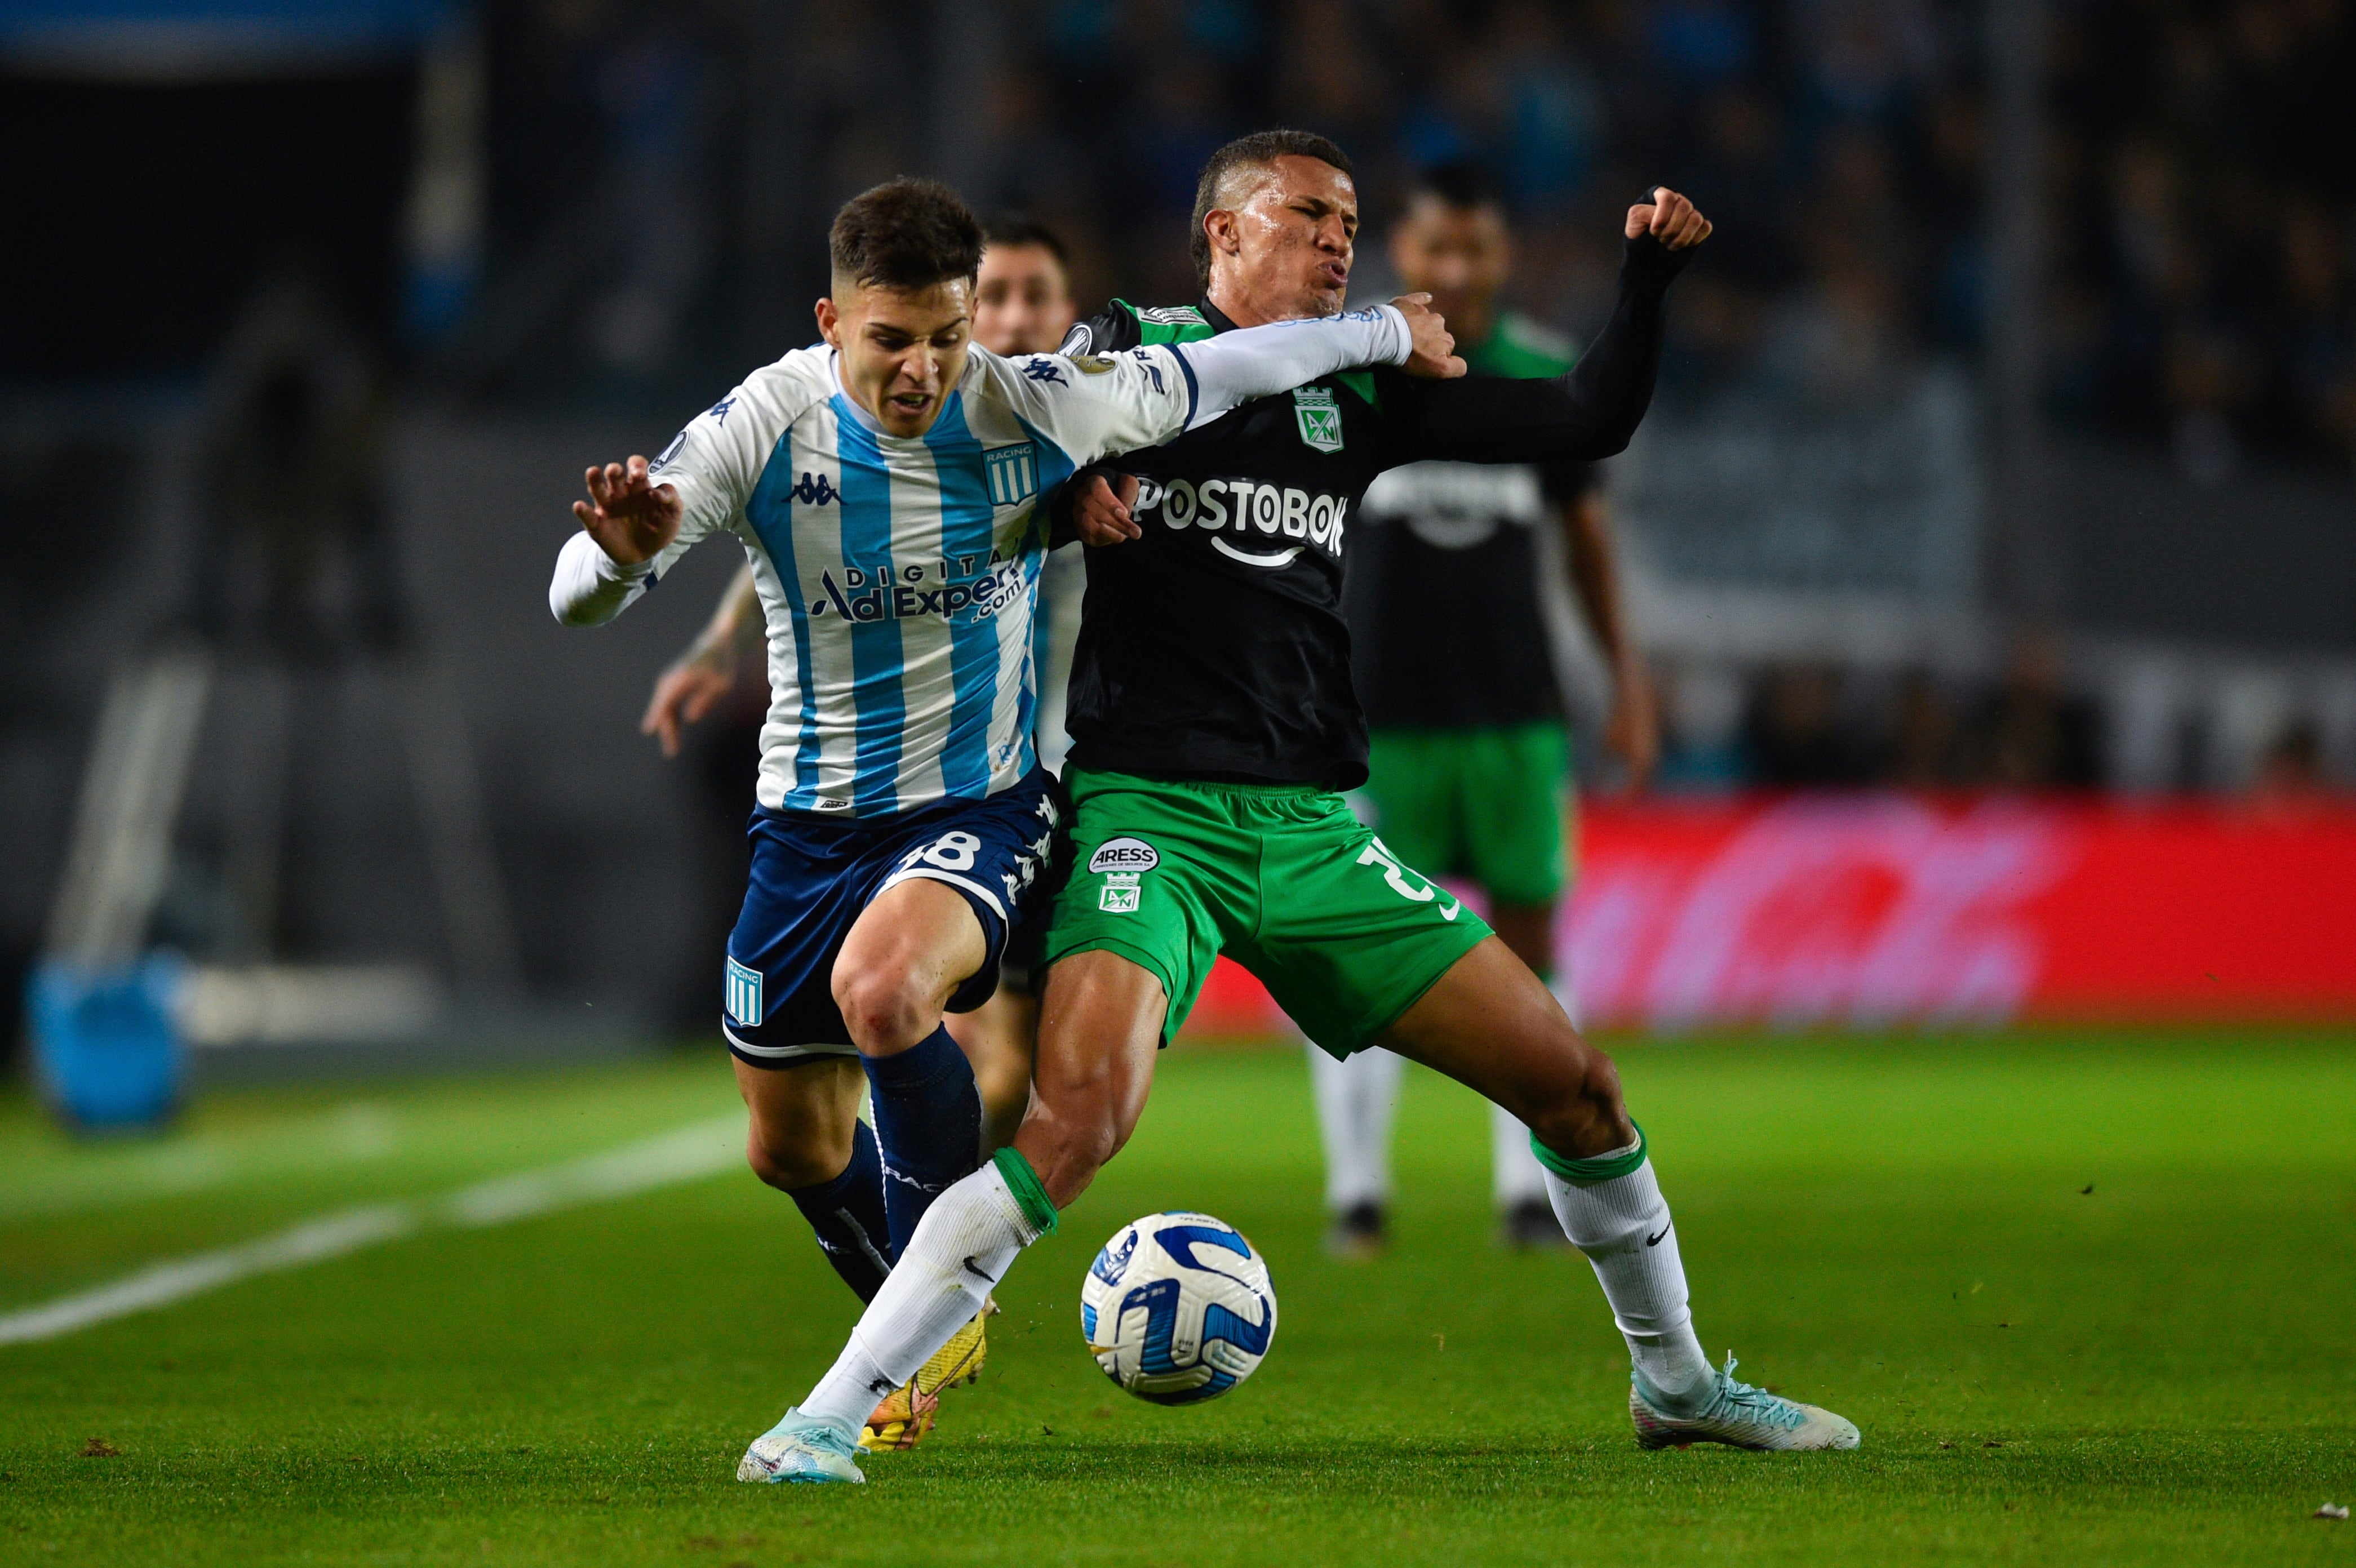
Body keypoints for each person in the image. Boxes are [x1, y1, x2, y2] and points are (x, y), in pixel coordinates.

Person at [744, 133, 1856, 1487]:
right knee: (1075, 1121)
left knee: (1578, 1088)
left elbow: (1584, 419)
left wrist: (1646, 281)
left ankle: (1677, 1385)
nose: (1341, 243)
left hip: (1319, 831)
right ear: (1221, 234)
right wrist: (1061, 492)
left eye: (1348, 223)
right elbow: (1018, 421)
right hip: (1149, 815)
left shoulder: (1360, 386)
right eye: (1308, 217)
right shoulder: (1128, 352)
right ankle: (827, 1413)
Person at [549, 176, 1459, 1457]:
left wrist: (1376, 330)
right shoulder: (769, 420)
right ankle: (909, 1294)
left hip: (976, 809)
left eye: (944, 335)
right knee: (789, 1146)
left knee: (885, 993)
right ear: (832, 322)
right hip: (804, 825)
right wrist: (625, 557)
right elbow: (574, 594)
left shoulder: (1034, 407)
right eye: (890, 340)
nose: (921, 369)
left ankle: (941, 1302)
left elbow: (1239, 366)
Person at [641, 216, 1084, 1154]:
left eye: (1029, 296)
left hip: (1069, 771)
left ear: (1066, 312)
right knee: (972, 1052)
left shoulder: (1079, 424)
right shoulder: (916, 427)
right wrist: (718, 645)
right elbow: (805, 535)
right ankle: (937, 1255)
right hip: (958, 787)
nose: (1009, 315)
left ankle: (942, 1237)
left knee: (1016, 1077)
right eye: (992, 297)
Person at [1320, 162, 1661, 1258]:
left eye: (1476, 251)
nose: (1457, 271)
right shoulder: (1356, 373)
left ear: (1504, 257)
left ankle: (1528, 1191)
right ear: (1403, 256)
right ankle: (1360, 1193)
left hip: (1517, 714)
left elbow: (1586, 544)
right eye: (1436, 251)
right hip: (1378, 721)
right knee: (1368, 961)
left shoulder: (1538, 377)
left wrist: (1627, 685)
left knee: (1528, 943)